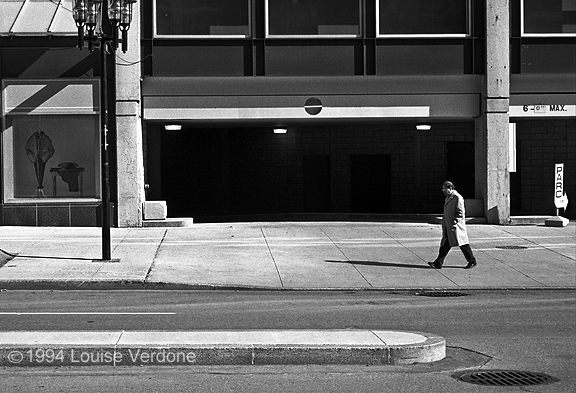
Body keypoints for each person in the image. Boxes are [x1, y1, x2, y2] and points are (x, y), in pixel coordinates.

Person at [428, 181, 477, 269]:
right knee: (445, 244)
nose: (443, 191)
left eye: (444, 189)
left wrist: (455, 222)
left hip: (455, 227)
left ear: (450, 188)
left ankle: (472, 261)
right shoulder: (448, 198)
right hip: (448, 225)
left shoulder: (457, 197)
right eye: (442, 189)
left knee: (463, 244)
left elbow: (460, 212)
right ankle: (438, 262)